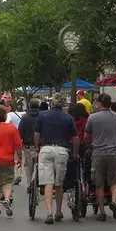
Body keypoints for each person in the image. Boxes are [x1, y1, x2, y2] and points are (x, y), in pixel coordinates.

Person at [34, 94, 79, 224]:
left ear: (52, 103)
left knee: (48, 183)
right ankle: (59, 211)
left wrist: (37, 148)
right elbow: (75, 139)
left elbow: (36, 135)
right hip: (61, 150)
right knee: (59, 183)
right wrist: (75, 154)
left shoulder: (43, 115)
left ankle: (49, 212)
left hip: (46, 149)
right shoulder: (68, 118)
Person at [85, 93, 116, 221]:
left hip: (98, 153)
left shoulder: (92, 118)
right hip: (114, 153)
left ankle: (102, 212)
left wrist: (90, 146)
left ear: (99, 103)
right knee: (114, 180)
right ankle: (113, 200)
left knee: (99, 183)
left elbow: (86, 136)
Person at [18, 99, 42, 191]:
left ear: (29, 106)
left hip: (28, 146)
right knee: (41, 166)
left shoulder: (25, 117)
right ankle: (40, 184)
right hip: (40, 146)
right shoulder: (43, 116)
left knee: (28, 167)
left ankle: (29, 184)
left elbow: (20, 132)